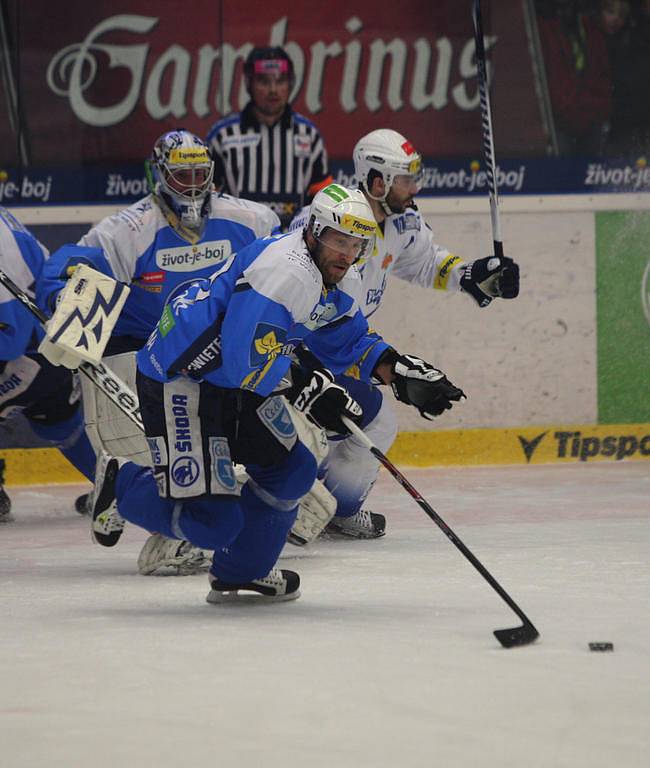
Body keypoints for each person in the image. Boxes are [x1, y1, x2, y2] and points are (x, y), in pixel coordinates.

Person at [77, 185, 464, 603]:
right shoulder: (286, 271)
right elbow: (247, 361)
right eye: (338, 240)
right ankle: (123, 484)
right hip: (182, 378)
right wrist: (307, 387)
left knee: (292, 470)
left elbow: (345, 339)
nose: (347, 254)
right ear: (315, 231)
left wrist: (398, 371)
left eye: (356, 244)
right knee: (213, 524)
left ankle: (240, 571)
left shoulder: (336, 272)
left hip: (232, 379)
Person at [37, 129, 280, 526]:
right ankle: (130, 485)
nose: (193, 186)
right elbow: (76, 264)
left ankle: (243, 504)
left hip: (216, 349)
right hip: (146, 352)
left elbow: (279, 270)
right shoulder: (129, 229)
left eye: (201, 174)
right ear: (158, 176)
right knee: (163, 454)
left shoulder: (252, 219)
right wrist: (64, 300)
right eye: (182, 176)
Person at [0, 207, 96, 522]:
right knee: (59, 419)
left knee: (56, 413)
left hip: (31, 351)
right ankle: (123, 487)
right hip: (48, 343)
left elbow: (9, 337)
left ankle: (128, 487)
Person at [206, 46, 333, 230]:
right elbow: (208, 200)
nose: (273, 90)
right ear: (249, 83)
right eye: (264, 81)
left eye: (280, 81)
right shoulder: (223, 136)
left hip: (292, 245)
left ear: (291, 84)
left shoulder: (309, 135)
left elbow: (324, 198)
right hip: (240, 242)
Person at [537, 0, 612, 155]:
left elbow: (603, 75)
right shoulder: (541, 27)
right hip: (557, 125)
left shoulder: (590, 28)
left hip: (591, 123)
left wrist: (597, 111)